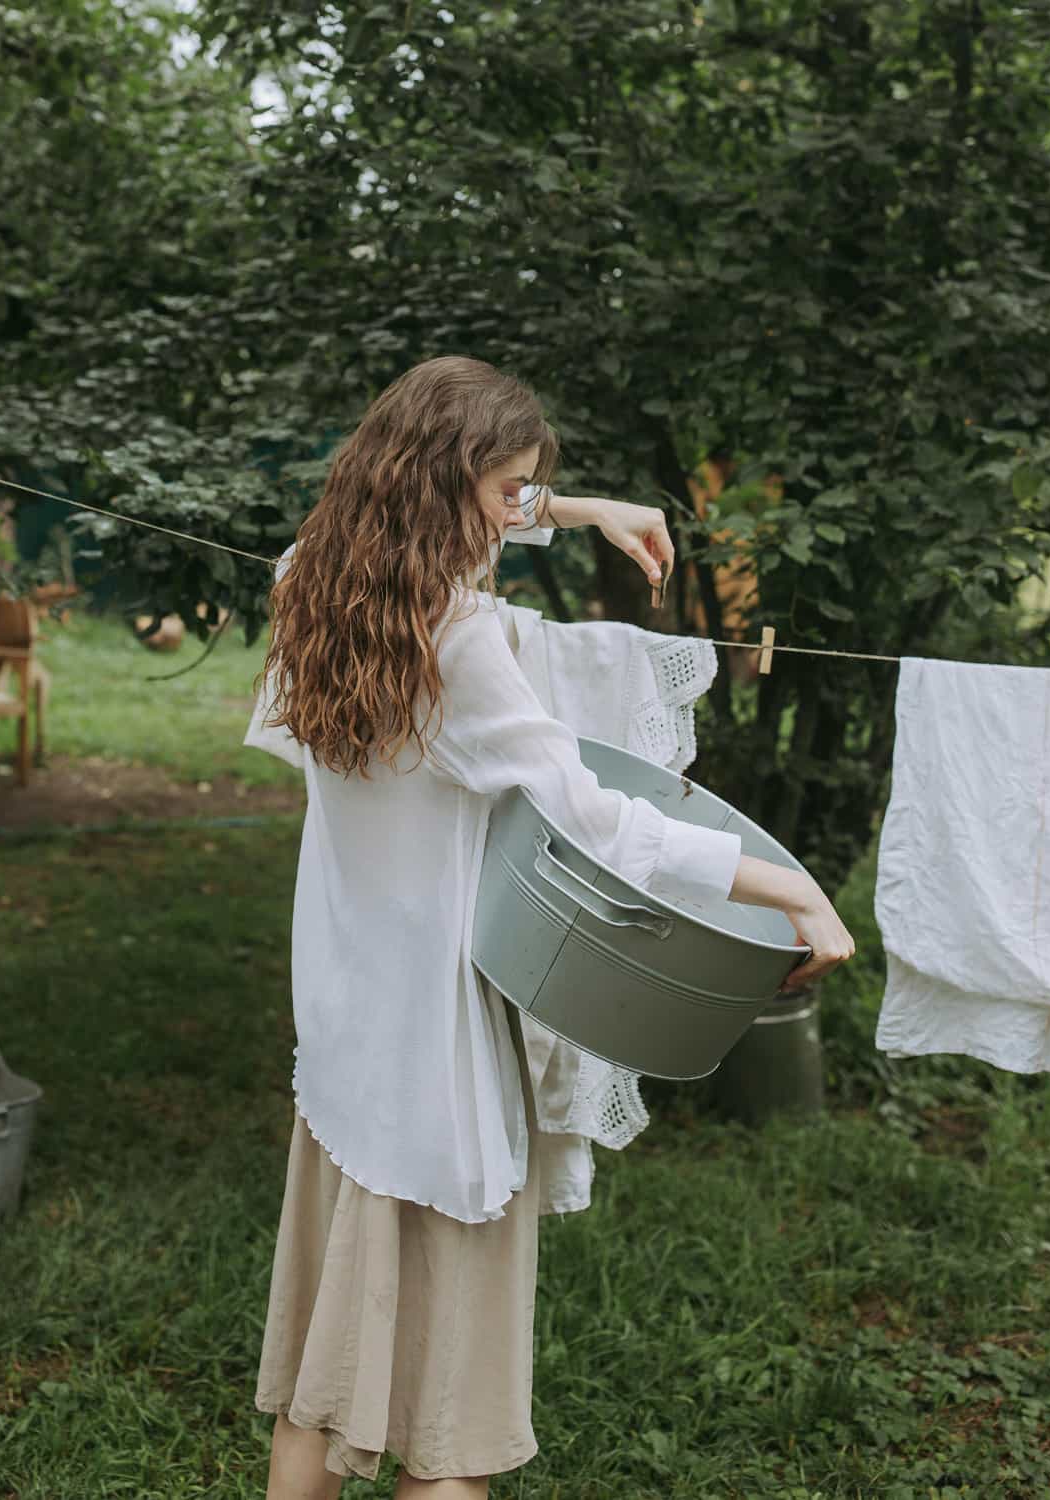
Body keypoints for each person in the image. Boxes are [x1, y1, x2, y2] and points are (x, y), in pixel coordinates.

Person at [245, 356, 854, 1499]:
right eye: (513, 487)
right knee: (450, 1432)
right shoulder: (464, 645)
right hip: (434, 1064)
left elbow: (420, 517)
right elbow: (598, 826)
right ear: (450, 480)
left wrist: (579, 510)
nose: (521, 508)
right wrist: (792, 888)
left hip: (340, 1043)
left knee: (316, 1397)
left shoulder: (309, 585)